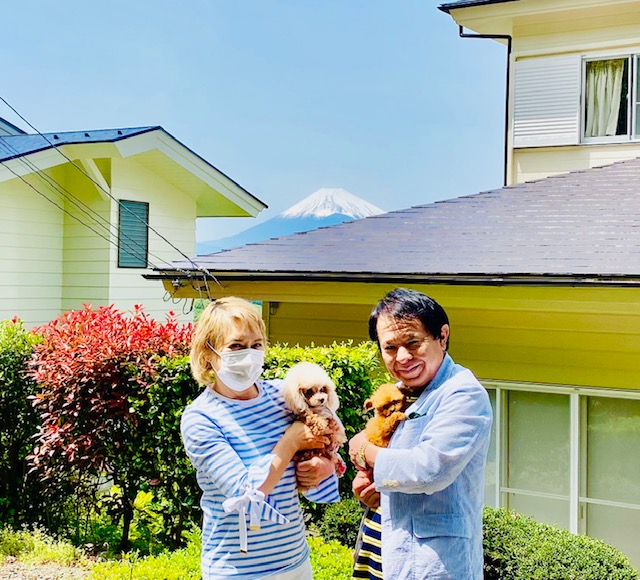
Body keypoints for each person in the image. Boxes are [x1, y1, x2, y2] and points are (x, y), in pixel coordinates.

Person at [181, 297, 339, 580]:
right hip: (238, 570)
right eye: (236, 346)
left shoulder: (284, 396)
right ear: (208, 354)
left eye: (256, 345)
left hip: (295, 560)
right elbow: (245, 493)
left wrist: (325, 467)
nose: (249, 354)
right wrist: (291, 442)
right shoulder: (201, 418)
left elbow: (329, 442)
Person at [349, 288, 493, 579]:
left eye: (413, 342)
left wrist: (364, 449)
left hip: (432, 564)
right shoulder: (398, 393)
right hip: (378, 551)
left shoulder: (463, 393)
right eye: (390, 348)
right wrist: (369, 481)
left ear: (442, 336)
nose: (402, 357)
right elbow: (388, 461)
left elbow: (429, 470)